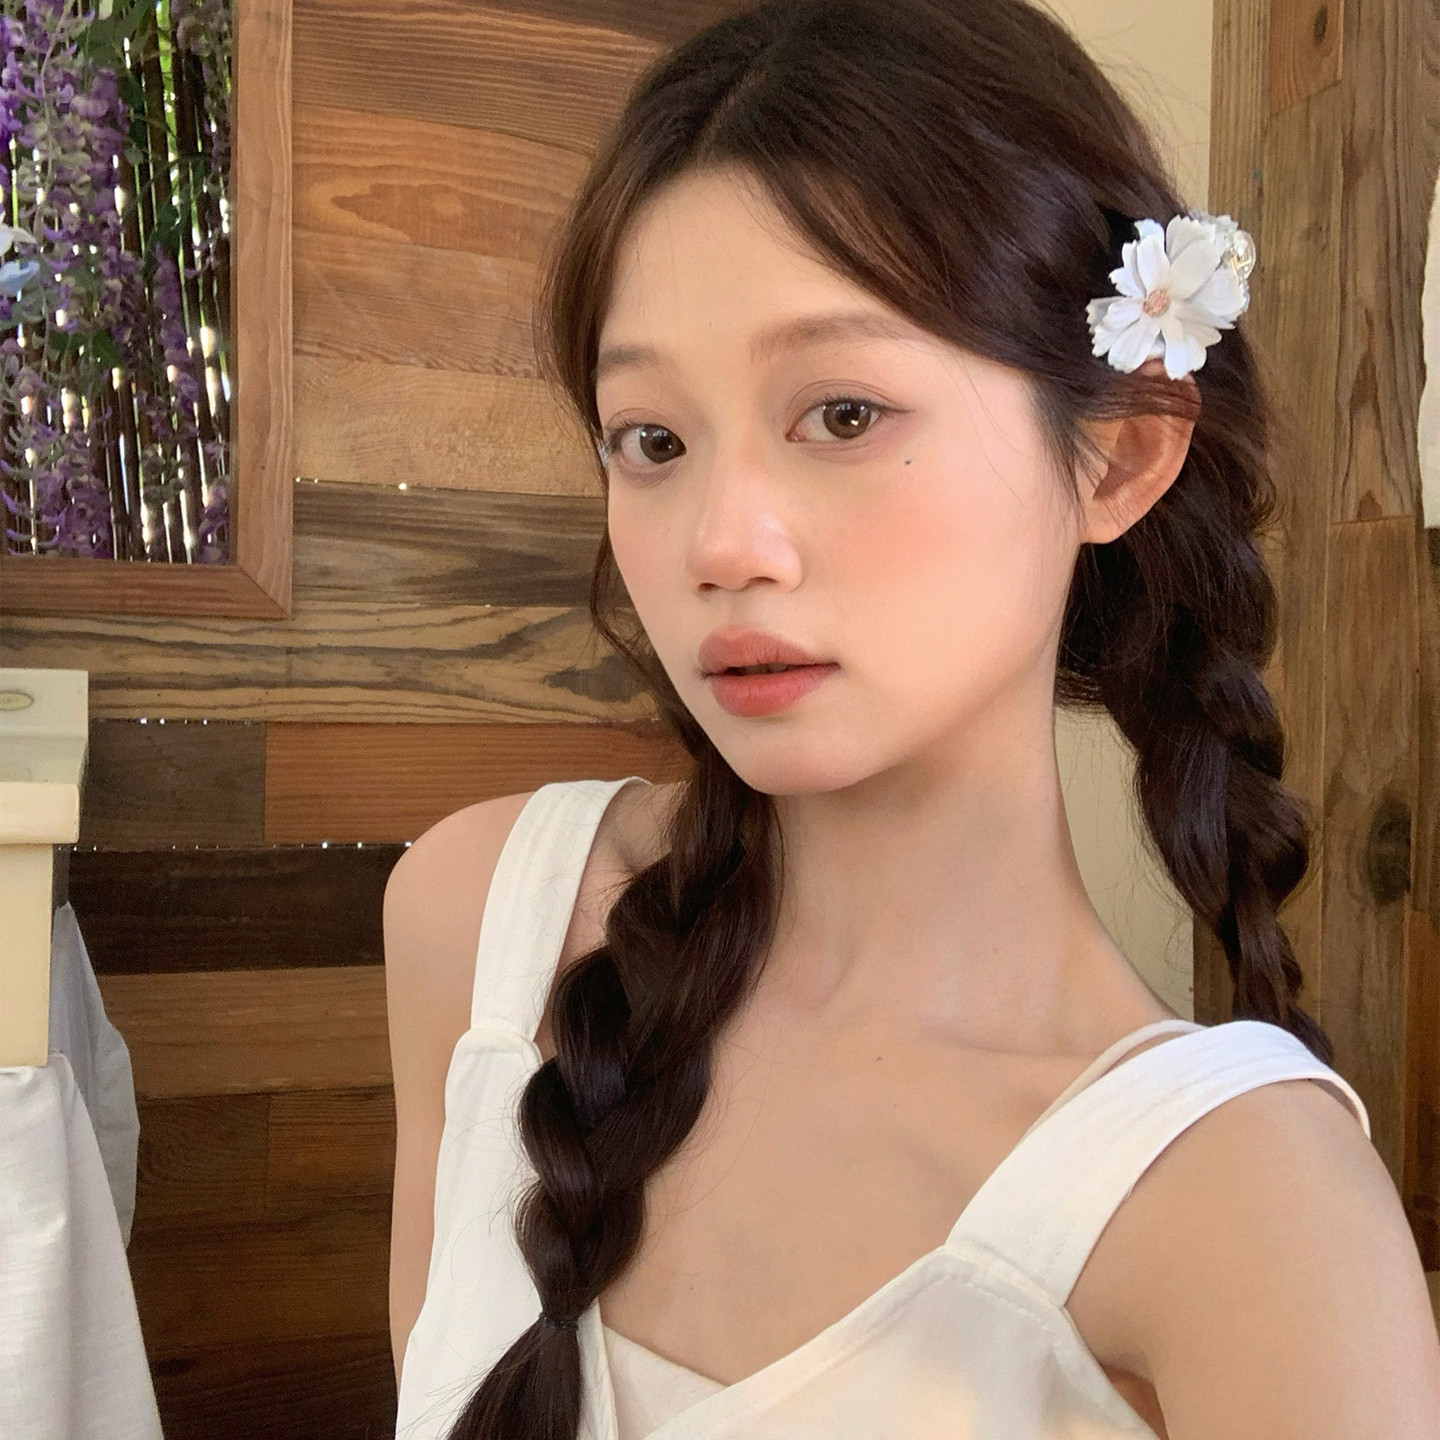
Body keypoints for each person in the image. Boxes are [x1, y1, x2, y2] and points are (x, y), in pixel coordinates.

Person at [382, 2, 1440, 1437]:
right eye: (654, 439)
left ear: (1120, 454)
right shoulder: (481, 921)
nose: (722, 544)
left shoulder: (1251, 1220)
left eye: (842, 414)